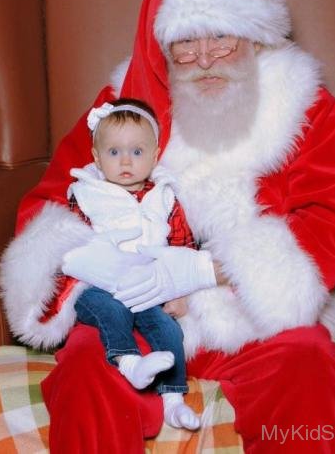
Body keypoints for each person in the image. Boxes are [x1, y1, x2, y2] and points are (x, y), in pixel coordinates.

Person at [0, 0, 335, 453]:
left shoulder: (305, 107)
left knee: (307, 361)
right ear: (161, 52)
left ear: (251, 39)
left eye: (222, 38)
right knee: (88, 362)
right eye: (186, 44)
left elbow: (331, 219)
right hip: (137, 314)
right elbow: (53, 203)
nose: (206, 59)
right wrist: (111, 269)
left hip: (251, 312)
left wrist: (204, 272)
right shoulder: (122, 113)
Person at [67, 98, 202, 430]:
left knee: (168, 329)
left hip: (148, 286)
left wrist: (182, 293)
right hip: (97, 288)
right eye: (114, 152)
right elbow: (68, 244)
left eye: (137, 152)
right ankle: (129, 363)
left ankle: (173, 400)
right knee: (111, 310)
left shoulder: (165, 198)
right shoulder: (87, 195)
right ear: (97, 158)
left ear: (155, 156)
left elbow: (183, 247)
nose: (126, 161)